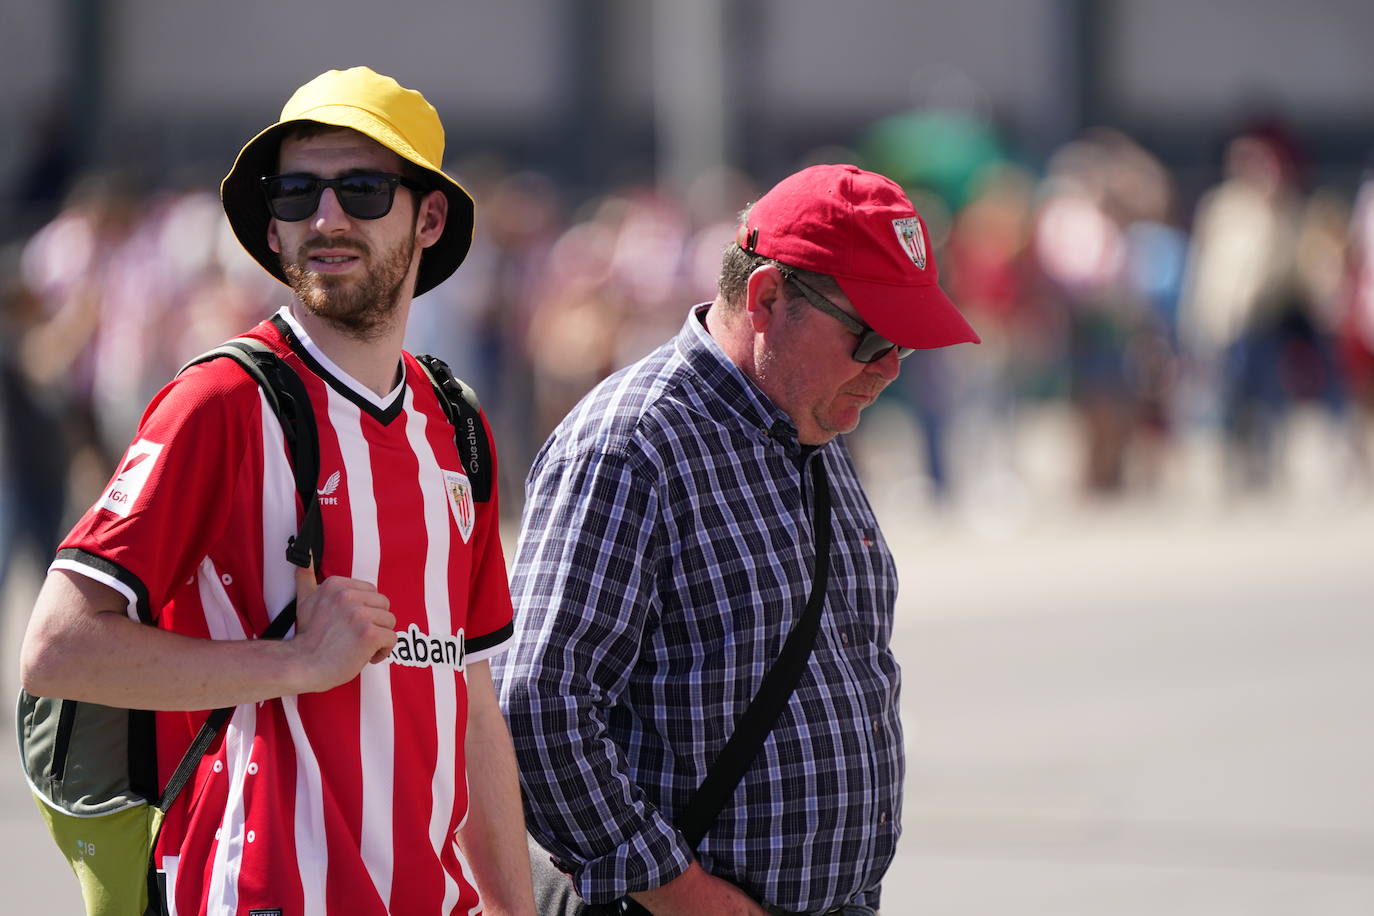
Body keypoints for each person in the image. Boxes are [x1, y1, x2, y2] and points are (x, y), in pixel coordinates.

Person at [20, 67, 535, 915]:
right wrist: (297, 663)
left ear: (430, 216)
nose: (326, 219)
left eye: (363, 190)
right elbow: (58, 648)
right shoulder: (222, 402)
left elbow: (468, 702)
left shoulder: (458, 426)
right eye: (297, 194)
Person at [495, 164, 980, 916]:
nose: (887, 371)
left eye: (904, 349)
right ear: (767, 299)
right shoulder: (632, 443)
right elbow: (537, 704)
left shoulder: (807, 416)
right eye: (872, 338)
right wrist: (678, 891)